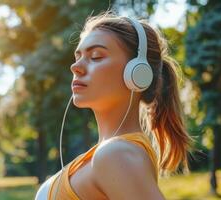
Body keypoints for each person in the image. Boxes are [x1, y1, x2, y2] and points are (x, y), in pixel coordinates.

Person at [35, 11, 191, 200]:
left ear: (137, 74)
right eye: (78, 57)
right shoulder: (111, 153)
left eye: (96, 56)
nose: (75, 67)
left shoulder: (115, 154)